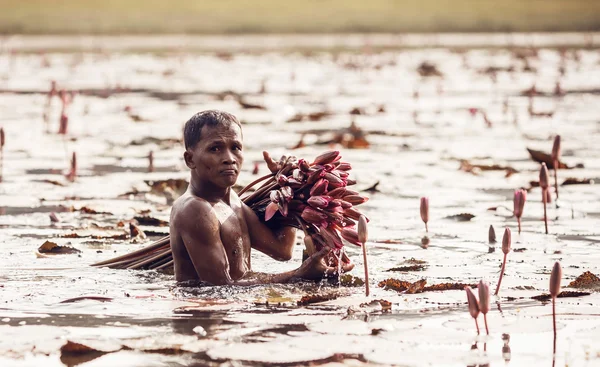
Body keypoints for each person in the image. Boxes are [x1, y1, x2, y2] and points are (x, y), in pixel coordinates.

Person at [170, 110, 354, 285]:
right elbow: (219, 287)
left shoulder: (232, 201)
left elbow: (282, 250)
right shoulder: (195, 209)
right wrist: (299, 275)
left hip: (235, 307)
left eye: (235, 147)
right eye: (215, 149)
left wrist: (291, 191)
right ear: (190, 160)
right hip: (203, 313)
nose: (229, 158)